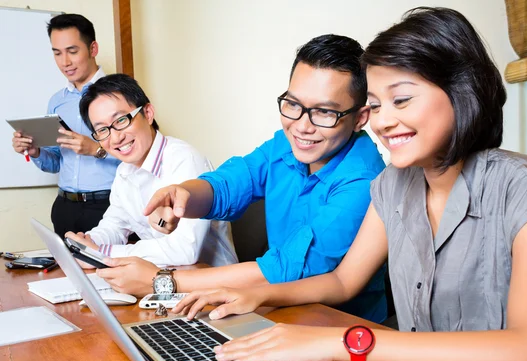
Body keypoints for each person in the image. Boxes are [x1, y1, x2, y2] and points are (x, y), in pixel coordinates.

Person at [171, 8, 527, 361]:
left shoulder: (522, 183)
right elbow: (343, 281)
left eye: (402, 99)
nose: (384, 121)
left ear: (462, 91)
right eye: (374, 104)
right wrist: (261, 296)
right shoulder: (393, 183)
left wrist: (342, 342)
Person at [105, 34, 388, 322]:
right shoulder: (285, 145)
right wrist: (183, 194)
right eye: (293, 105)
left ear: (360, 117)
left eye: (324, 112)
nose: (302, 126)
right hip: (273, 311)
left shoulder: (364, 179)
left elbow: (285, 269)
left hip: (340, 327)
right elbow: (231, 182)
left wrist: (162, 281)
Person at [65, 73, 237, 268]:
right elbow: (114, 226)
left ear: (147, 114)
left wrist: (103, 253)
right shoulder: (124, 171)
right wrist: (87, 244)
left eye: (121, 120)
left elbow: (185, 250)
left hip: (213, 283)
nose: (115, 138)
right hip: (162, 282)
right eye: (103, 130)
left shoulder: (184, 159)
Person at [11, 14, 120, 238]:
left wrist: (96, 150)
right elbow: (56, 162)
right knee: (65, 272)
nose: (65, 62)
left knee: (108, 271)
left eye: (72, 51)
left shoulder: (120, 94)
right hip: (65, 207)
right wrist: (36, 151)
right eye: (57, 53)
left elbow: (142, 155)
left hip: (109, 207)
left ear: (93, 48)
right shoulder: (57, 101)